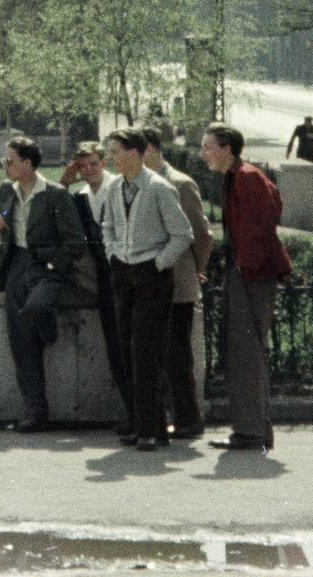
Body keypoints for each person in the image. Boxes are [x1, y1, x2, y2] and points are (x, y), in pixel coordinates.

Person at [0, 135, 87, 433]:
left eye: (10, 161)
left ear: (27, 163)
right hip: (16, 266)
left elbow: (75, 242)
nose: (5, 165)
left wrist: (53, 267)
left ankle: (47, 330)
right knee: (21, 343)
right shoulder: (7, 191)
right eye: (4, 161)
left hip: (46, 267)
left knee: (37, 308)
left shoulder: (54, 194)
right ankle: (35, 412)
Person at [98, 130, 193, 450]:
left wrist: (158, 264)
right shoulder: (114, 187)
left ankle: (151, 429)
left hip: (152, 275)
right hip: (123, 273)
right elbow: (108, 225)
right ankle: (141, 424)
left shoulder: (159, 188)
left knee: (146, 352)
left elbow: (182, 234)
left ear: (136, 153)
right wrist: (113, 252)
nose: (111, 157)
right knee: (126, 349)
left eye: (116, 151)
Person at [199, 123, 291, 452]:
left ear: (226, 149)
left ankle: (250, 432)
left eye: (207, 146)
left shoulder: (247, 176)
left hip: (252, 275)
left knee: (245, 354)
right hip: (248, 272)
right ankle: (253, 429)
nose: (202, 153)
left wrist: (244, 268)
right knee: (244, 353)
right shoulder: (238, 176)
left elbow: (265, 222)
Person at [143, 126, 213, 440]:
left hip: (178, 281)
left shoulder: (180, 183)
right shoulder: (136, 183)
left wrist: (197, 267)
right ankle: (168, 415)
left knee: (177, 355)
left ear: (149, 149)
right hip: (149, 282)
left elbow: (201, 233)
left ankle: (189, 418)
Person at [59, 143, 131, 431]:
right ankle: (131, 412)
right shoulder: (80, 197)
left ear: (104, 163)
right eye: (82, 166)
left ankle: (144, 414)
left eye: (93, 164)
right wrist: (63, 184)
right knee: (114, 344)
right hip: (104, 276)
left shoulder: (119, 188)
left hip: (127, 271)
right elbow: (57, 211)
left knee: (131, 343)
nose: (88, 170)